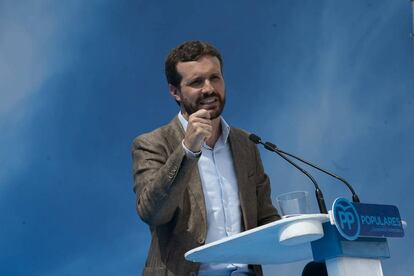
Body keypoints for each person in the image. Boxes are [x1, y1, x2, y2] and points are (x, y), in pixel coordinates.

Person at [132, 40, 280, 276]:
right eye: (196, 82)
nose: (209, 88)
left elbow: (264, 218)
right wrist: (187, 150)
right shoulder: (152, 144)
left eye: (215, 77)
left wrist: (296, 228)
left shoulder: (247, 144)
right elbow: (153, 212)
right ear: (175, 91)